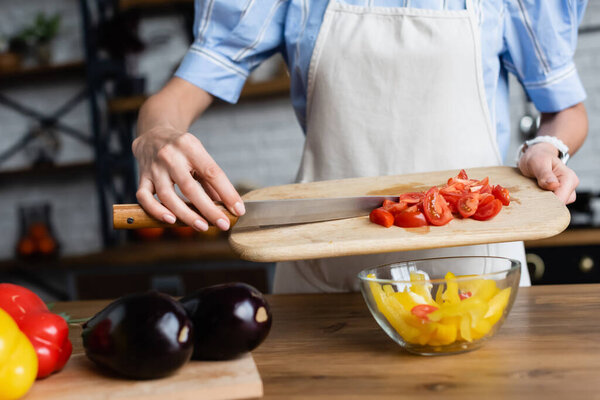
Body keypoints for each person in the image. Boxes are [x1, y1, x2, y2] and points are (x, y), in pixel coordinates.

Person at [133, 0, 588, 293]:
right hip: (321, 272)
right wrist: (156, 135)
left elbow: (567, 111)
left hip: (476, 274)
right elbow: (175, 98)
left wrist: (548, 146)